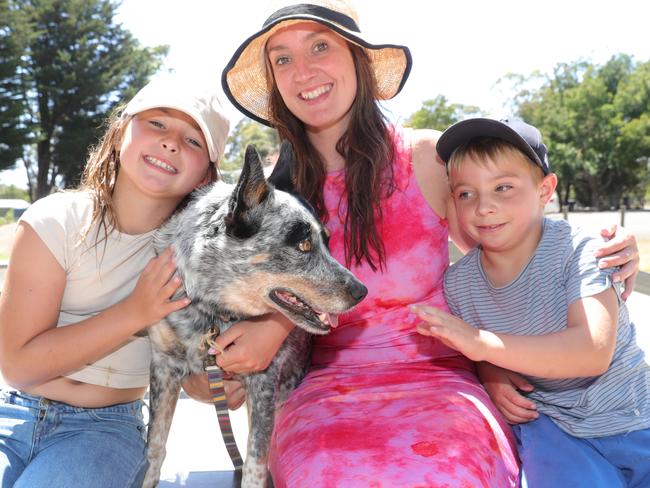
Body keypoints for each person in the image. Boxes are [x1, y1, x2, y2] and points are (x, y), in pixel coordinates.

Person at [217, 0, 642, 485]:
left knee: (449, 471)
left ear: (358, 59)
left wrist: (603, 242)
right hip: (331, 391)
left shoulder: (427, 158)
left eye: (320, 47)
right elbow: (245, 304)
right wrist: (253, 338)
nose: (304, 71)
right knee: (324, 474)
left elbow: (513, 247)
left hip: (444, 380)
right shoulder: (274, 193)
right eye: (283, 59)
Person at [0, 74, 230, 487]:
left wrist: (223, 383)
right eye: (157, 123)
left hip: (104, 430)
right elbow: (17, 366)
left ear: (205, 177)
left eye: (193, 141)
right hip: (12, 413)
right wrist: (134, 312)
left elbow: (196, 379)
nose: (171, 142)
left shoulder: (196, 261)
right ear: (122, 131)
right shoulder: (56, 221)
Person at [413, 117, 650, 487]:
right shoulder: (459, 285)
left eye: (503, 187)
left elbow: (591, 350)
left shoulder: (582, 249)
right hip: (553, 428)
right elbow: (468, 357)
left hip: (635, 417)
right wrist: (487, 371)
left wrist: (480, 344)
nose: (484, 206)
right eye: (465, 193)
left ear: (545, 190)